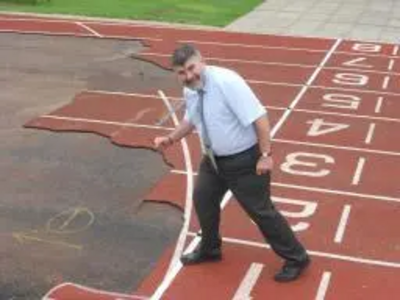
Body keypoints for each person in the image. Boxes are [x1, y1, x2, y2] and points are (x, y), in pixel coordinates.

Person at [153, 44, 310, 282]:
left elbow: (260, 117)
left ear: (201, 61)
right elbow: (191, 120)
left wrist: (266, 154)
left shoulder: (227, 83)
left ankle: (297, 257)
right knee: (203, 199)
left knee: (260, 211)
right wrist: (170, 138)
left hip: (245, 161)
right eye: (181, 72)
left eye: (191, 68)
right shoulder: (191, 89)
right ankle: (210, 248)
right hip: (214, 161)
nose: (189, 75)